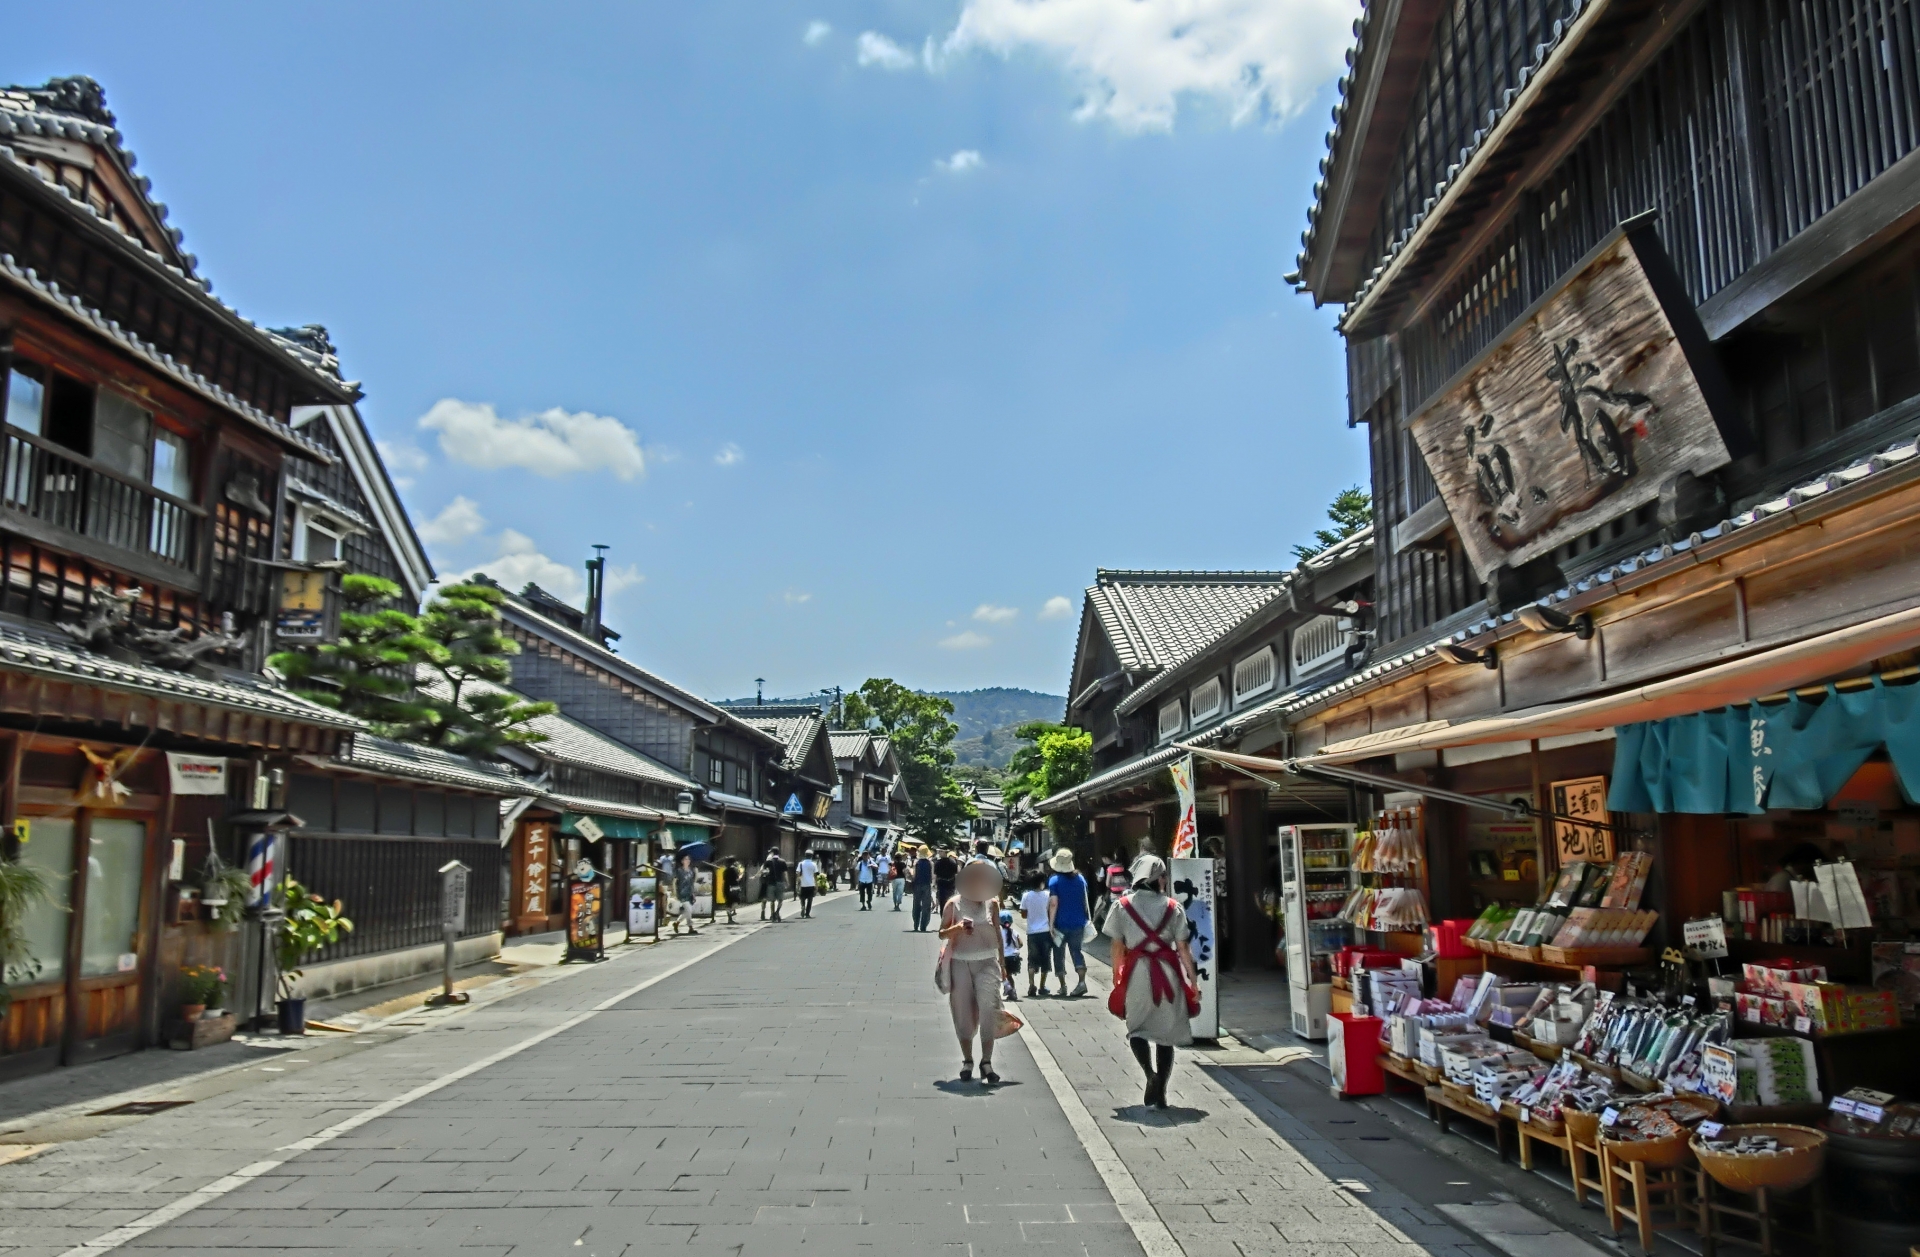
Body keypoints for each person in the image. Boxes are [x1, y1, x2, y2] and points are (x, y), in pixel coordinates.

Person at [1103, 854, 1197, 1109]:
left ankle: (1149, 1074)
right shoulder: (1172, 906)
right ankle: (1162, 1091)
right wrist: (1193, 980)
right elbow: (1183, 947)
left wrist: (1116, 975)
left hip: (1137, 973)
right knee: (1165, 1036)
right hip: (1168, 973)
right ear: (1159, 879)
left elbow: (1116, 946)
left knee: (1137, 1029)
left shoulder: (1122, 905)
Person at [939, 858, 1009, 1084]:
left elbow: (997, 933)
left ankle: (986, 1062)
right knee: (963, 1015)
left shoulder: (992, 903)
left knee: (988, 1009)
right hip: (960, 962)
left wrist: (1003, 963)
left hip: (987, 962)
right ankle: (967, 1059)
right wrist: (957, 928)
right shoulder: (954, 903)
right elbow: (941, 933)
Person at [1046, 848, 1093, 997]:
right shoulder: (1081, 879)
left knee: (1059, 953)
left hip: (1060, 923)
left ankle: (1063, 985)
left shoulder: (1054, 880)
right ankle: (1081, 982)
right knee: (1076, 951)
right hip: (1078, 922)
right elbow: (1085, 902)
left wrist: (1051, 924)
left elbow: (1054, 903)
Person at [1019, 875, 1055, 997]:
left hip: (1032, 932)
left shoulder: (1026, 896)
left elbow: (1023, 915)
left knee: (1032, 959)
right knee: (1045, 959)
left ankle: (1031, 984)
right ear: (1041, 883)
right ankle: (1042, 986)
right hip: (1045, 931)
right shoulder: (1047, 895)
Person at [671, 854, 698, 936]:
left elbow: (693, 881)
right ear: (682, 861)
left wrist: (696, 873)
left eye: (688, 859)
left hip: (690, 892)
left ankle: (677, 923)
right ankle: (690, 927)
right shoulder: (679, 871)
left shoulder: (691, 871)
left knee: (687, 911)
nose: (688, 861)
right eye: (686, 859)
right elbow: (674, 882)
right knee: (689, 909)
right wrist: (674, 892)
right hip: (682, 893)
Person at [999, 910, 1022, 1002]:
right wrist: (1015, 948)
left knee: (1005, 975)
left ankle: (1010, 990)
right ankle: (1011, 991)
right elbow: (1021, 944)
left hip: (1004, 958)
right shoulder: (1014, 932)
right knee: (1009, 976)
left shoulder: (999, 933)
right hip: (1014, 957)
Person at [760, 849, 788, 922]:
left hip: (771, 883)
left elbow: (762, 870)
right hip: (780, 882)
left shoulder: (768, 862)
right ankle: (777, 912)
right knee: (780, 900)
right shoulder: (782, 861)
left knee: (772, 901)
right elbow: (785, 873)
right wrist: (787, 882)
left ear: (772, 853)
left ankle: (772, 915)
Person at [911, 848, 935, 931]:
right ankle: (923, 925)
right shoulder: (930, 863)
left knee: (916, 904)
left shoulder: (916, 862)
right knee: (926, 906)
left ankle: (916, 923)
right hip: (927, 885)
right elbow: (932, 876)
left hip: (917, 885)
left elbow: (913, 875)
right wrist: (933, 885)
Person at [933, 849, 960, 914]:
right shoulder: (938, 862)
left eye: (941, 851)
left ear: (945, 852)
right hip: (941, 885)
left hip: (950, 885)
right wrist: (934, 883)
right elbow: (935, 874)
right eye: (939, 851)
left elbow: (956, 874)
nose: (939, 853)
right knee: (942, 904)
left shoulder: (952, 862)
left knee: (949, 903)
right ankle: (943, 919)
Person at [796, 850, 820, 918]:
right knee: (810, 899)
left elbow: (798, 873)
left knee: (802, 897)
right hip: (811, 884)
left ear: (805, 855)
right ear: (811, 856)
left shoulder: (800, 864)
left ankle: (803, 906)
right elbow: (815, 875)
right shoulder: (814, 864)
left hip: (803, 884)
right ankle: (807, 913)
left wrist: (798, 882)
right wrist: (816, 885)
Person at [721, 858, 743, 924]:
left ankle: (729, 917)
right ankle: (730, 913)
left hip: (726, 887)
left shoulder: (725, 871)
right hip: (734, 887)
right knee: (736, 901)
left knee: (728, 902)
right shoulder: (734, 870)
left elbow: (724, 879)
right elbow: (737, 878)